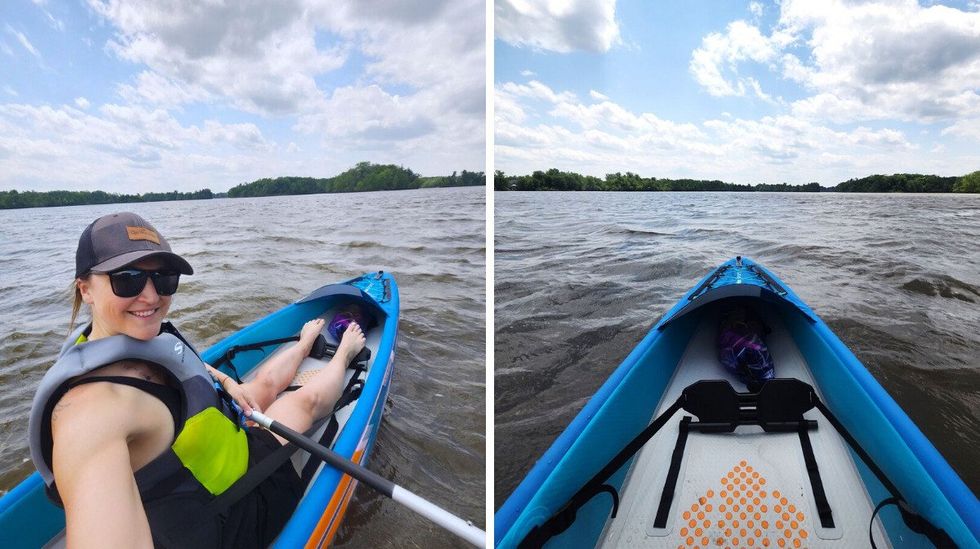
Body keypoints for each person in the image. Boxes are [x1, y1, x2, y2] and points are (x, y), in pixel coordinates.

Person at [27, 212, 366, 548]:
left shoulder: (124, 339)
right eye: (127, 278)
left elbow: (182, 367)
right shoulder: (90, 415)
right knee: (301, 403)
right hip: (231, 510)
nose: (151, 296)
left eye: (163, 277)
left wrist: (225, 382)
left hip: (214, 441)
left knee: (258, 386)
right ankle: (343, 354)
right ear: (85, 289)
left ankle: (304, 343)